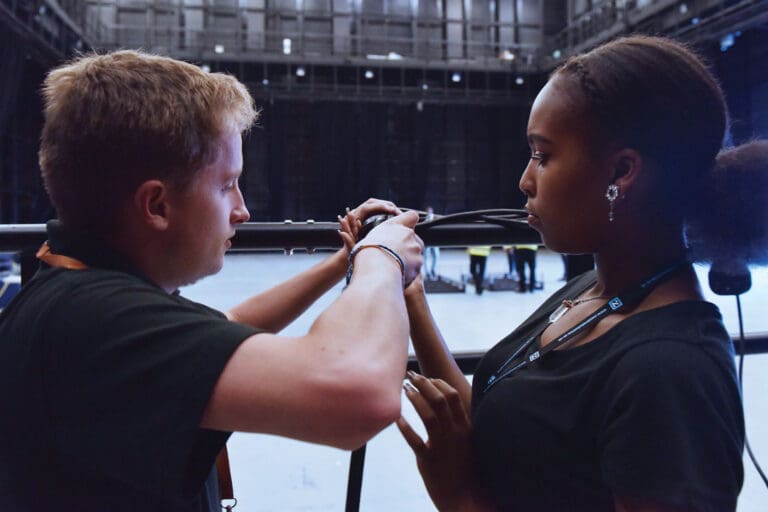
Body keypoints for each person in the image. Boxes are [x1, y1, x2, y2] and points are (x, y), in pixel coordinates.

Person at [0, 50, 423, 512]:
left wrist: (342, 261)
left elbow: (229, 324)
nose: (242, 210)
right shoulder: (89, 320)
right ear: (157, 206)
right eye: (227, 185)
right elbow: (357, 393)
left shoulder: (78, 287)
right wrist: (382, 258)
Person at [397, 35, 766, 511]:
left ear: (621, 172)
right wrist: (411, 294)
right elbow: (512, 432)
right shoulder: (592, 293)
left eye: (543, 155)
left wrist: (458, 497)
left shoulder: (669, 372)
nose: (525, 181)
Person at [423, 206, 440, 279]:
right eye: (428, 212)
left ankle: (433, 270)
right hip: (427, 241)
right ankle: (427, 272)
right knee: (426, 257)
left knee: (436, 256)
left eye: (430, 211)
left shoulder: (435, 218)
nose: (429, 213)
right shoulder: (423, 219)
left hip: (435, 240)